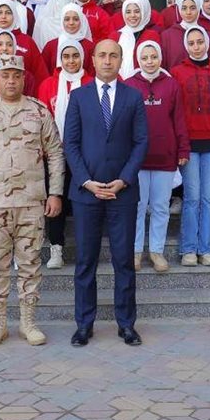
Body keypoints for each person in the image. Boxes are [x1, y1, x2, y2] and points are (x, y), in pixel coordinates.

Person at [0, 55, 65, 348]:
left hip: (31, 203)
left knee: (30, 264)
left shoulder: (39, 112)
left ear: (24, 78)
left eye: (16, 75)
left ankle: (28, 323)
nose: (11, 81)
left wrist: (55, 192)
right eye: (5, 75)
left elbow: (55, 153)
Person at [63, 39, 148, 347]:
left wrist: (124, 180)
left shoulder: (133, 97)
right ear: (93, 60)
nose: (108, 60)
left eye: (113, 55)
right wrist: (86, 181)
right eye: (102, 55)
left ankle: (126, 325)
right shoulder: (78, 97)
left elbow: (141, 142)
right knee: (86, 261)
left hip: (122, 193)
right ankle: (84, 325)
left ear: (121, 60)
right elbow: (70, 143)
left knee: (123, 261)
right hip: (87, 193)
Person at [124, 40, 188, 272]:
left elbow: (179, 119)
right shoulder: (129, 85)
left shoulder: (171, 85)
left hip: (165, 156)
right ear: (138, 60)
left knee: (160, 206)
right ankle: (135, 252)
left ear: (160, 58)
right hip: (137, 158)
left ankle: (157, 251)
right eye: (145, 57)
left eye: (153, 57)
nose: (149, 61)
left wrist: (183, 149)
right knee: (137, 206)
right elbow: (123, 122)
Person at [171, 26, 210, 267]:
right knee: (192, 197)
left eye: (200, 42)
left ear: (207, 43)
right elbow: (176, 114)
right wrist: (180, 146)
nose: (196, 46)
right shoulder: (177, 73)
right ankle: (188, 248)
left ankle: (206, 249)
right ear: (186, 46)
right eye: (191, 43)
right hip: (190, 144)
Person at [36, 37, 93, 269]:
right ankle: (56, 248)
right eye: (66, 56)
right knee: (55, 201)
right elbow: (42, 119)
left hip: (85, 154)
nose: (71, 61)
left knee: (84, 203)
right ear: (60, 59)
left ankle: (85, 249)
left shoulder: (91, 82)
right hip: (55, 154)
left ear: (83, 58)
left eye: (75, 56)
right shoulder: (48, 84)